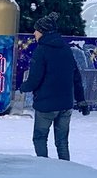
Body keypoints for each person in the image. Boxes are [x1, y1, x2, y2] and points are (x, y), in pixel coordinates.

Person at [18, 12, 87, 161]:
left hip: (46, 105)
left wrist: (23, 87)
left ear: (42, 31)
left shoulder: (41, 51)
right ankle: (65, 170)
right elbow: (76, 76)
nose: (34, 33)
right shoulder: (66, 49)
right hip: (65, 104)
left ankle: (45, 169)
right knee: (62, 142)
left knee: (40, 138)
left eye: (36, 30)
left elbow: (35, 79)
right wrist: (81, 100)